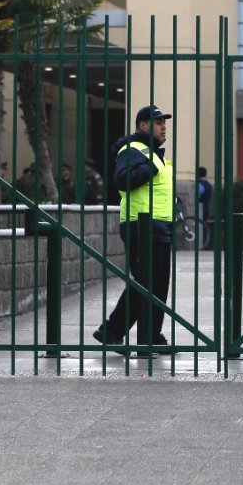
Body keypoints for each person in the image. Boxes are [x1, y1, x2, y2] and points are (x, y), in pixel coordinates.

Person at [93, 105, 175, 353]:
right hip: (141, 225)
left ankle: (151, 336)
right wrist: (149, 167)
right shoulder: (132, 151)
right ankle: (113, 331)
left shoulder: (152, 152)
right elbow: (123, 179)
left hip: (159, 226)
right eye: (158, 122)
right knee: (144, 284)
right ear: (143, 126)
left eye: (164, 122)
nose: (164, 127)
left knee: (158, 285)